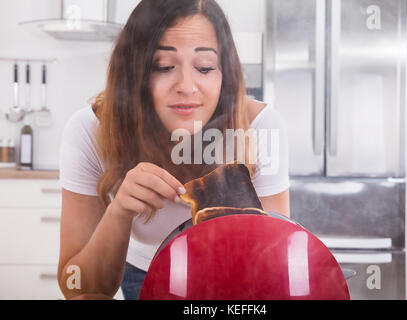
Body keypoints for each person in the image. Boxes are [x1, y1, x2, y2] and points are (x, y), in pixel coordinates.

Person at [57, 0, 290, 300]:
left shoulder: (259, 128)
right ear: (134, 74)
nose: (187, 86)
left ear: (225, 74)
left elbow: (276, 268)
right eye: (164, 67)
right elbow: (76, 287)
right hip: (140, 273)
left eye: (204, 67)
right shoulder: (92, 131)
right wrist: (119, 212)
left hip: (231, 282)